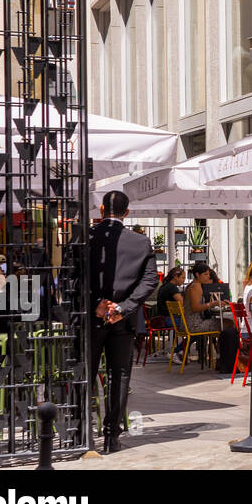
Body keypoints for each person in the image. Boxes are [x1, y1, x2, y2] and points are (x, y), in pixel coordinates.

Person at [89, 190, 158, 455]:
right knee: (119, 375)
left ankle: (83, 432)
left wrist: (95, 304)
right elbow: (150, 280)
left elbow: (74, 277)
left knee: (88, 373)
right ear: (126, 213)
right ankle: (111, 436)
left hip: (93, 317)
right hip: (123, 319)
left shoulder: (88, 238)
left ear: (101, 211)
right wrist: (123, 307)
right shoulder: (141, 242)